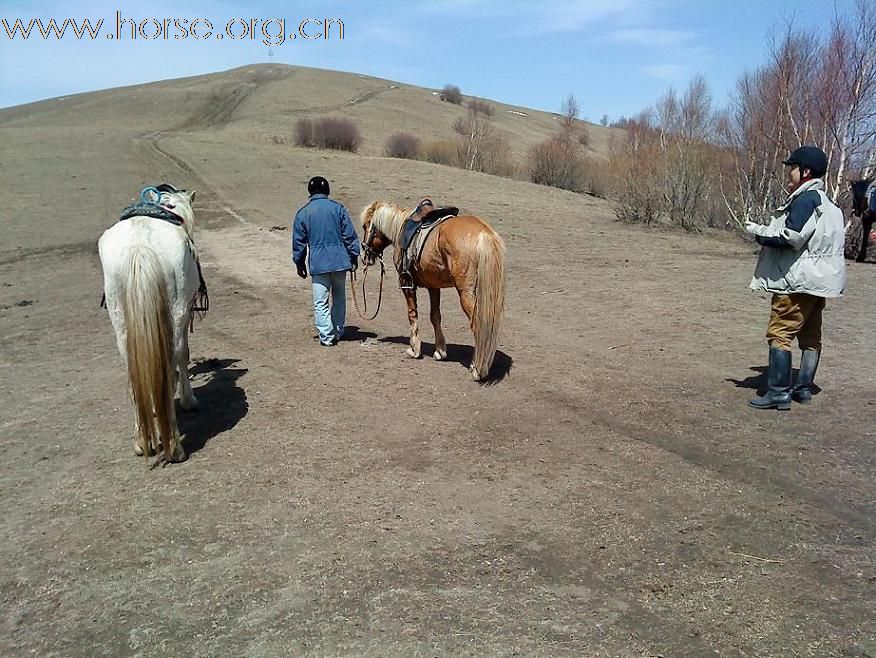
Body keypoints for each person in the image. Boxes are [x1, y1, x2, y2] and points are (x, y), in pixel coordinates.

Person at [745, 146, 847, 410]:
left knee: (779, 333)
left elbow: (792, 237)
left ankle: (778, 392)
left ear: (805, 171)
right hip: (819, 282)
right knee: (811, 336)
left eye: (792, 167)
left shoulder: (806, 199)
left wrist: (759, 232)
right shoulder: (830, 205)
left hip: (797, 281)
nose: (788, 173)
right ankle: (802, 388)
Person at [292, 176, 360, 346]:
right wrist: (354, 256)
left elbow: (298, 242)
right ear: (327, 190)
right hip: (340, 262)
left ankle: (326, 336)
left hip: (319, 264)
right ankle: (337, 331)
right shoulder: (338, 209)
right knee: (339, 298)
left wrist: (299, 263)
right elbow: (349, 235)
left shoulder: (303, 213)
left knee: (320, 301)